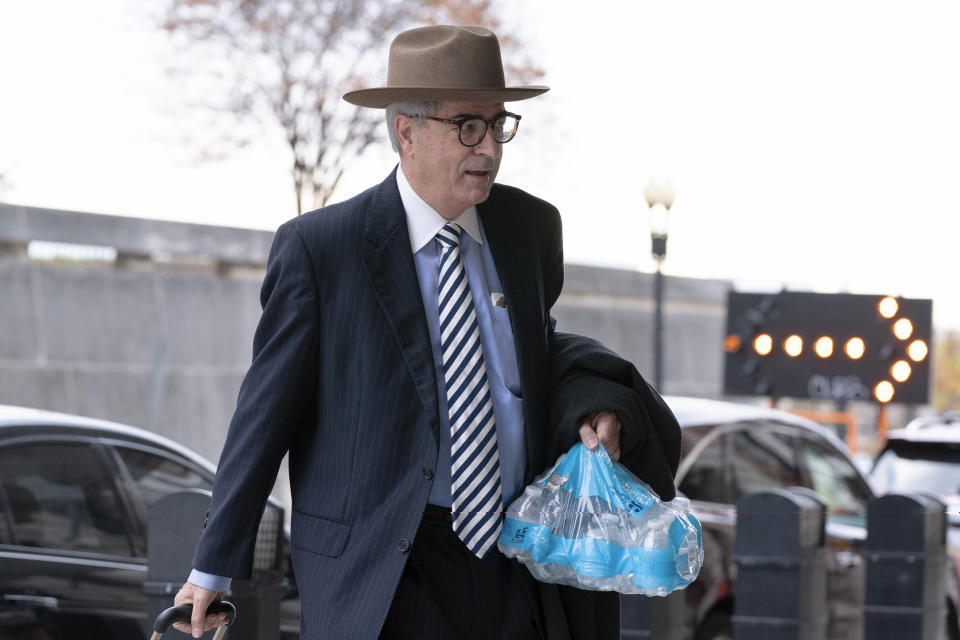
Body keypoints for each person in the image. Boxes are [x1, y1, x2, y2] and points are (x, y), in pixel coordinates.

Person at [173, 24, 681, 639]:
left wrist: (591, 404)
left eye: (499, 125)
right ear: (405, 132)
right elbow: (264, 414)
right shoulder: (321, 249)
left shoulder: (530, 229)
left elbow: (533, 352)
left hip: (514, 560)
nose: (489, 148)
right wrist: (212, 569)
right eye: (468, 126)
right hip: (386, 574)